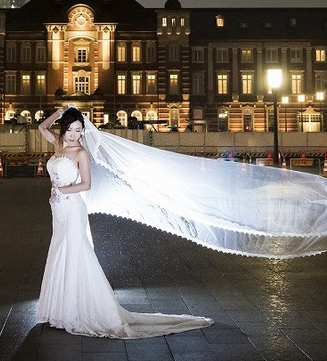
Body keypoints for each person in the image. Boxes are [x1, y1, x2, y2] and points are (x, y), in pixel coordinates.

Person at [34, 107, 213, 338]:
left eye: (78, 130)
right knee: (59, 252)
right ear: (64, 128)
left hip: (73, 208)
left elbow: (86, 184)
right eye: (70, 129)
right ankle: (59, 309)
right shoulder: (58, 144)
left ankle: (78, 310)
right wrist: (58, 113)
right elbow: (41, 127)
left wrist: (62, 189)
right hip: (58, 210)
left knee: (76, 253)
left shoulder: (80, 152)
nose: (74, 134)